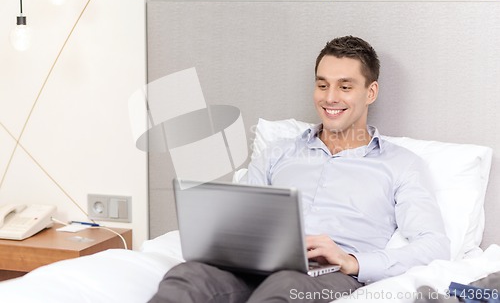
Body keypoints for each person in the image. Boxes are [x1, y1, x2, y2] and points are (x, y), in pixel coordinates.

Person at [149, 36, 450, 303]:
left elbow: (434, 245)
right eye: (322, 85)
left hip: (328, 276)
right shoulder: (277, 154)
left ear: (370, 92)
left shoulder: (401, 165)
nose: (330, 97)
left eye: (345, 86)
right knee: (187, 276)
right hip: (254, 265)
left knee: (287, 287)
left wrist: (352, 261)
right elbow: (237, 221)